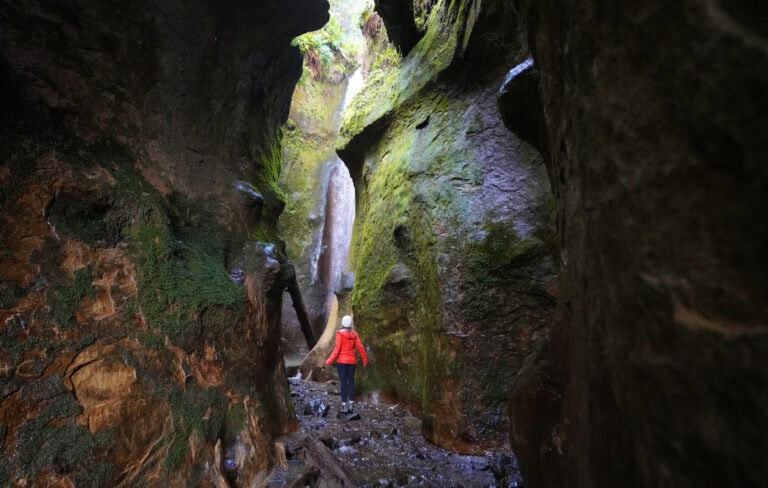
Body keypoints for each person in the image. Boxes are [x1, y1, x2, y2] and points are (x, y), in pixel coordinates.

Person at [325, 315, 369, 413]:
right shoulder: (354, 334)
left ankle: (344, 405)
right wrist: (365, 360)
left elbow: (337, 350)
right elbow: (361, 348)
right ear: (350, 324)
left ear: (342, 324)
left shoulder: (340, 334)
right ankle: (351, 404)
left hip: (342, 362)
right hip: (352, 362)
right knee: (351, 382)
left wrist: (329, 361)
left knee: (344, 383)